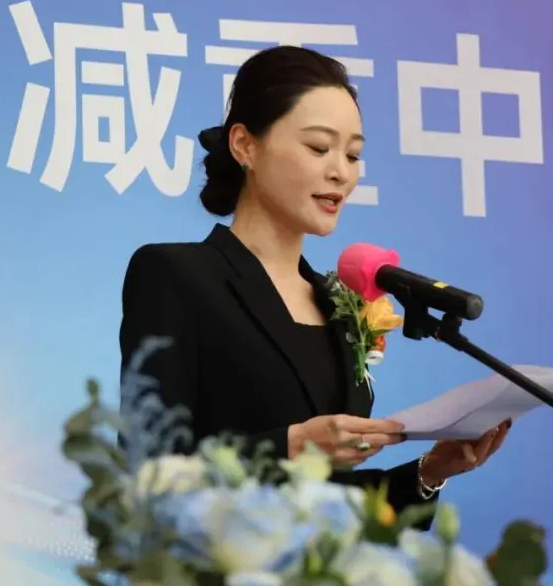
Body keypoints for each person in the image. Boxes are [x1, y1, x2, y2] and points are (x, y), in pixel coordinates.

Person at [119, 45, 511, 521]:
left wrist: (428, 473)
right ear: (245, 145)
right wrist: (292, 445)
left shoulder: (338, 303)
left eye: (353, 154)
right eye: (319, 148)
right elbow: (148, 469)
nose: (341, 172)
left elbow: (328, 498)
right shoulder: (175, 274)